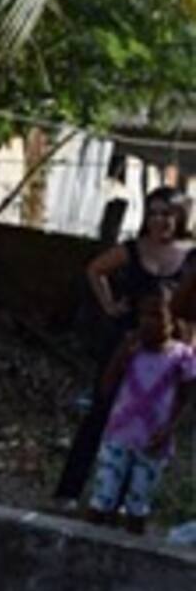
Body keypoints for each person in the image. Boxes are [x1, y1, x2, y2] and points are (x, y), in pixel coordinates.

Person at [53, 185, 195, 508]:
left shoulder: (191, 255)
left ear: (181, 216)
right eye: (155, 213)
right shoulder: (132, 249)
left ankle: (125, 500)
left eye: (169, 213)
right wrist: (108, 305)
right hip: (126, 343)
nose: (161, 220)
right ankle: (69, 491)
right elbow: (95, 270)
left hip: (166, 353)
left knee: (151, 419)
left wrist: (190, 346)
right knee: (101, 410)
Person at [87, 285, 196, 535]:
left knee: (137, 506)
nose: (148, 322)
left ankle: (131, 558)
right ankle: (85, 548)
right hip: (119, 436)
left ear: (171, 319)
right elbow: (106, 388)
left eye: (157, 315)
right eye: (144, 315)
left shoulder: (181, 357)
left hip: (154, 441)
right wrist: (123, 356)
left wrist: (169, 430)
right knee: (102, 498)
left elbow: (184, 399)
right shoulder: (131, 348)